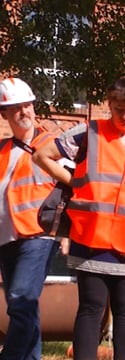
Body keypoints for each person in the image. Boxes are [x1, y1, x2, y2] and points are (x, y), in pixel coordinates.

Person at [32, 78, 125, 360]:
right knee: (91, 308)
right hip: (91, 237)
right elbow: (42, 156)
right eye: (119, 109)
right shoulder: (89, 133)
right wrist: (75, 181)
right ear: (109, 104)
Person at [0, 77, 60, 360]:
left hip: (39, 236)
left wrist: (68, 234)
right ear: (4, 114)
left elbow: (72, 189)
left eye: (27, 105)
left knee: (20, 303)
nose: (24, 112)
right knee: (27, 309)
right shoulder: (1, 150)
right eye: (16, 108)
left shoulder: (53, 145)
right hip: (6, 239)